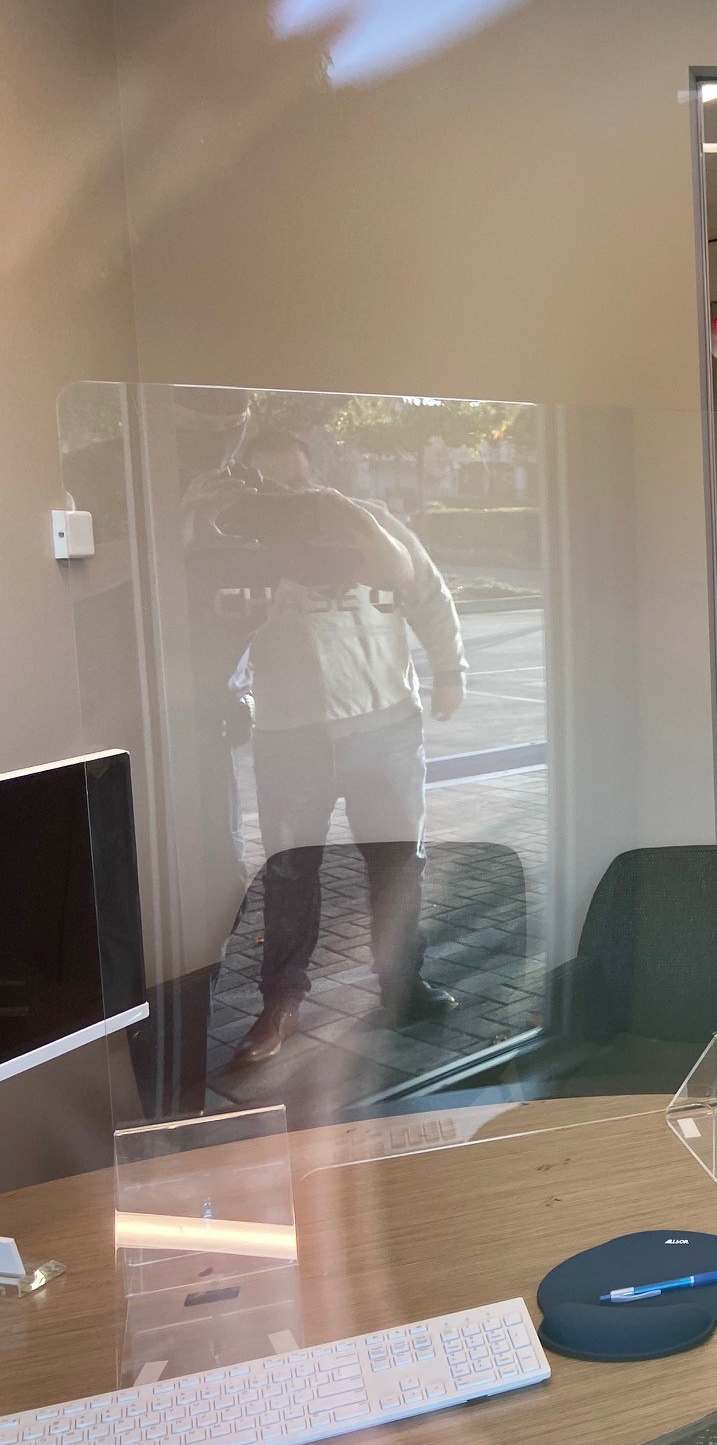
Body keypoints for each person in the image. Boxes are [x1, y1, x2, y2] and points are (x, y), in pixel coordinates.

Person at [216, 428, 468, 1066]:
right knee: (289, 870)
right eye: (271, 487)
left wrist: (451, 671)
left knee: (397, 863)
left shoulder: (375, 527)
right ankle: (281, 1006)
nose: (289, 497)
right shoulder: (239, 547)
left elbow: (429, 593)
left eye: (298, 482)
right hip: (290, 735)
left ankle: (402, 988)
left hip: (384, 725)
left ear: (322, 480)